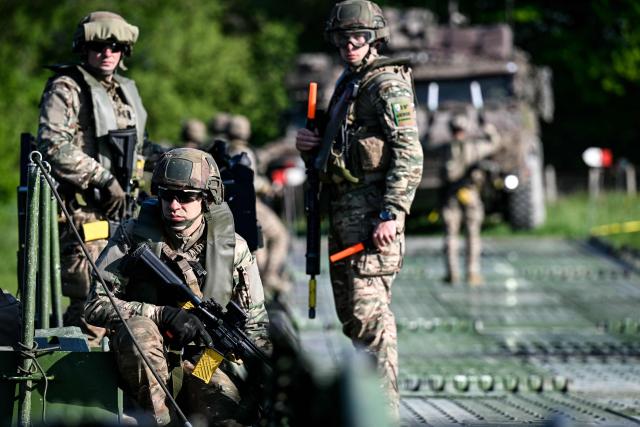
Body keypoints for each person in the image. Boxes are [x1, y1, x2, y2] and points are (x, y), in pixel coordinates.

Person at [295, 0, 423, 418]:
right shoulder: (350, 82)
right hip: (346, 222)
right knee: (355, 321)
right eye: (342, 38)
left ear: (375, 39)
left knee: (372, 327)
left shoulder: (385, 84)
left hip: (372, 228)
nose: (350, 44)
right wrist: (311, 150)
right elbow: (342, 152)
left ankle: (381, 416)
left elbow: (409, 152)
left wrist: (392, 212)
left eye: (360, 37)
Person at [85, 148, 271, 425]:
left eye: (186, 197)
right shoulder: (131, 236)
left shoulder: (235, 249)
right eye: (167, 195)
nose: (174, 205)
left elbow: (257, 326)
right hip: (143, 361)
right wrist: (160, 314)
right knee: (139, 331)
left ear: (207, 198)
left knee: (224, 411)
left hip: (206, 359)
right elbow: (95, 305)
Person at [37, 11, 148, 346]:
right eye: (99, 44)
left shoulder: (123, 92)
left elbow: (138, 149)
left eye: (115, 45)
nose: (107, 52)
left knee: (134, 307)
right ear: (84, 47)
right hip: (84, 217)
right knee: (91, 311)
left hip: (125, 215)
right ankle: (74, 389)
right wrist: (102, 178)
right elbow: (52, 145)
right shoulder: (67, 88)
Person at [227, 114, 291, 296]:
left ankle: (261, 280)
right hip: (249, 203)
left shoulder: (226, 149)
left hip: (235, 205)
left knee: (257, 242)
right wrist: (268, 187)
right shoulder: (243, 153)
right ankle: (270, 275)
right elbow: (249, 180)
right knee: (279, 235)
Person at [441, 114, 501, 286]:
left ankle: (452, 273)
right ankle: (472, 273)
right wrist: (487, 126)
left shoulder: (445, 148)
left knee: (451, 235)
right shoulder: (474, 147)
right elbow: (494, 142)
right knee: (472, 234)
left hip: (451, 195)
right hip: (470, 194)